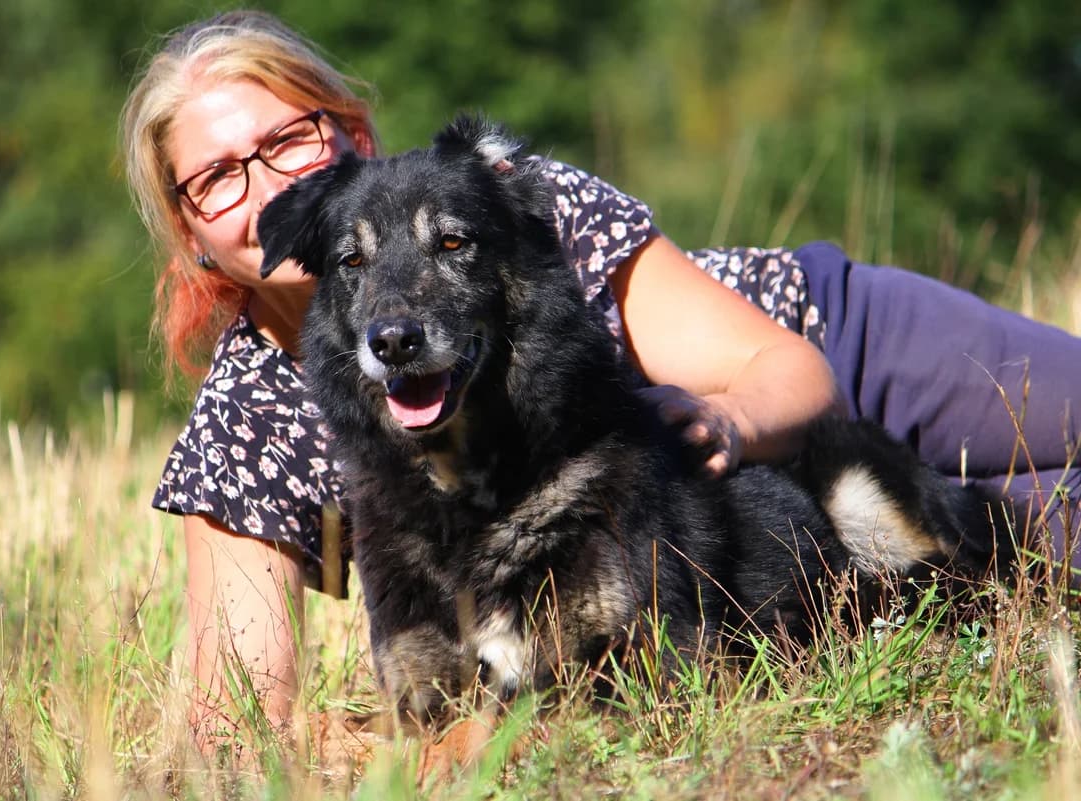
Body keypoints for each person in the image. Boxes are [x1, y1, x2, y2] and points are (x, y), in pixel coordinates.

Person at [121, 10, 1080, 747]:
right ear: (187, 223)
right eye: (215, 177)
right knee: (1033, 529)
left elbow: (785, 371)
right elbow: (231, 715)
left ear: (350, 134)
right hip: (744, 500)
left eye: (285, 140)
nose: (262, 188)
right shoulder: (242, 425)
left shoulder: (500, 194)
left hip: (822, 349)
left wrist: (730, 424)